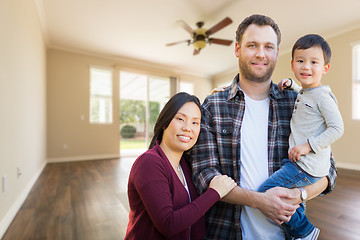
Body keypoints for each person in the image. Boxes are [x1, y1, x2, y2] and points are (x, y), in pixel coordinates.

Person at [190, 14, 337, 240]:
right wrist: (260, 201)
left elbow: (328, 169)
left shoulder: (295, 102)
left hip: (285, 234)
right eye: (252, 45)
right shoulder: (214, 105)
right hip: (226, 232)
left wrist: (301, 194)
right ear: (237, 49)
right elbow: (204, 174)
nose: (261, 53)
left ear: (277, 53)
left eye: (268, 46)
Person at [257, 34, 344, 240]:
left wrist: (308, 146)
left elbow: (337, 128)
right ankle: (297, 236)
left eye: (314, 62)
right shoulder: (306, 92)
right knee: (296, 203)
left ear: (325, 69)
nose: (306, 66)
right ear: (293, 64)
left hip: (305, 165)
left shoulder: (323, 96)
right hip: (299, 162)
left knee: (266, 192)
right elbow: (306, 99)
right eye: (300, 61)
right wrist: (291, 86)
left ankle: (304, 230)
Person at [124, 92, 237, 240]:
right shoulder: (149, 163)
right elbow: (168, 224)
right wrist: (214, 192)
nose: (187, 128)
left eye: (195, 122)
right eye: (180, 119)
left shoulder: (186, 163)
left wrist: (224, 96)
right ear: (165, 121)